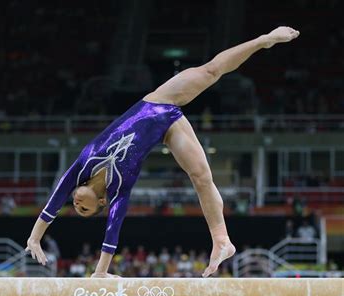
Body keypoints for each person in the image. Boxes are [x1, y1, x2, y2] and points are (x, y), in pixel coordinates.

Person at [26, 27, 300, 278]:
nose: (76, 205)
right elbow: (113, 231)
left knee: (210, 72)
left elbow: (56, 198)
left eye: (75, 206)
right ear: (101, 204)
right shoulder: (119, 191)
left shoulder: (82, 167)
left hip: (158, 101)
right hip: (167, 130)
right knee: (202, 177)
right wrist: (100, 273)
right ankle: (222, 240)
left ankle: (264, 40)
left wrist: (35, 238)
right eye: (84, 210)